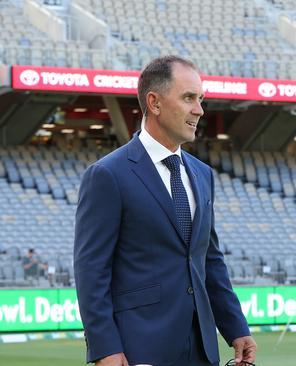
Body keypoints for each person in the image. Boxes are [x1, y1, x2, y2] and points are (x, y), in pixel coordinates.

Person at [74, 55, 256, 366]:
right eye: (188, 98)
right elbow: (92, 270)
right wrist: (105, 348)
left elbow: (208, 259)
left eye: (200, 99)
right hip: (139, 349)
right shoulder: (108, 175)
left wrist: (235, 327)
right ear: (154, 103)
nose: (199, 110)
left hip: (202, 350)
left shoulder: (203, 174)